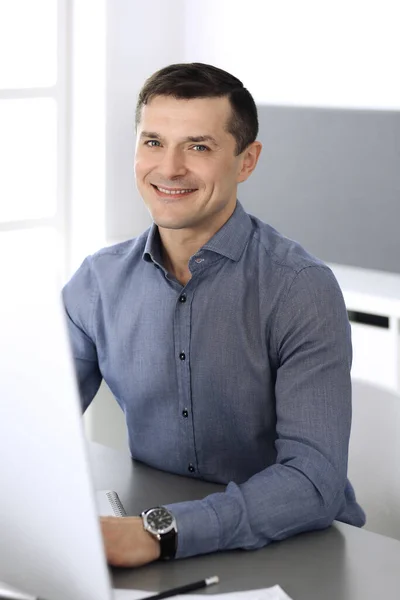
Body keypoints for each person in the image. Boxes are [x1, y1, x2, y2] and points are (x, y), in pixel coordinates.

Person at [63, 62, 365, 567]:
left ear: (246, 161)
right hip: (163, 542)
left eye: (198, 147)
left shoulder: (299, 289)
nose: (169, 168)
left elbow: (314, 480)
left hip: (297, 550)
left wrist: (162, 533)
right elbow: (26, 424)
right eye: (153, 142)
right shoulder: (97, 283)